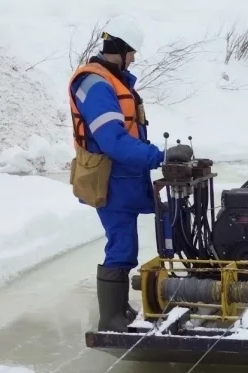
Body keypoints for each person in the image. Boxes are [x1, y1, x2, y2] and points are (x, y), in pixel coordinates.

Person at [67, 16, 189, 332]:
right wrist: (159, 156)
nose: (133, 58)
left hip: (127, 177)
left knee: (161, 223)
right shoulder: (94, 84)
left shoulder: (112, 81)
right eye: (131, 52)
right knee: (121, 246)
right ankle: (111, 318)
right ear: (118, 49)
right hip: (109, 178)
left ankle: (127, 307)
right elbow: (112, 140)